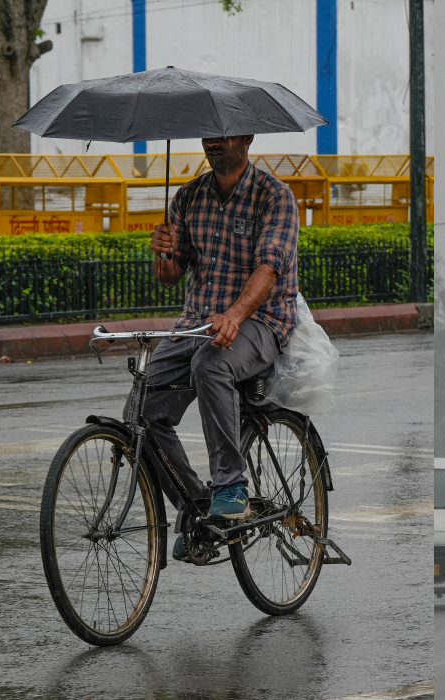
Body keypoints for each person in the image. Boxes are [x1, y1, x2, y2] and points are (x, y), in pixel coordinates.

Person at [142, 133, 300, 561]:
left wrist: (235, 314)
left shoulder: (275, 197)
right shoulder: (188, 197)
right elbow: (171, 276)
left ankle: (230, 485)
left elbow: (269, 268)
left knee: (211, 364)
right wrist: (164, 253)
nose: (211, 143)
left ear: (246, 139)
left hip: (260, 322)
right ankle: (195, 505)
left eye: (222, 135)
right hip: (196, 323)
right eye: (206, 136)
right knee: (143, 409)